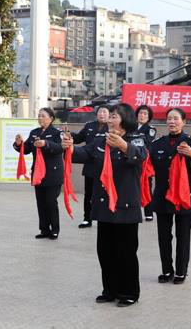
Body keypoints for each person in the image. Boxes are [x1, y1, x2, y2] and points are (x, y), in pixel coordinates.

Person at [62, 103, 146, 307]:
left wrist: (123, 145)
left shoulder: (135, 139)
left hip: (125, 206)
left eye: (114, 117)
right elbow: (84, 154)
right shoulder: (101, 140)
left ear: (125, 120)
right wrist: (69, 146)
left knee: (126, 253)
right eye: (110, 117)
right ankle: (110, 290)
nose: (109, 120)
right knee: (105, 251)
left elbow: (141, 156)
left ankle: (129, 293)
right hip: (104, 205)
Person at [150, 108, 191, 284]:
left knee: (183, 236)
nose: (172, 122)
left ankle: (181, 272)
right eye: (169, 119)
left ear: (184, 122)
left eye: (176, 118)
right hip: (163, 197)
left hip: (185, 197)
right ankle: (167, 270)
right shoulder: (158, 143)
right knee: (164, 237)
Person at [15, 107, 63, 240]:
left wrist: (46, 143)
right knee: (41, 203)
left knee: (51, 202)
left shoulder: (57, 133)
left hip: (53, 173)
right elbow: (26, 149)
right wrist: (19, 144)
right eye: (39, 115)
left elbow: (60, 148)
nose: (40, 118)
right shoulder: (34, 132)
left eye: (43, 116)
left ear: (51, 118)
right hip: (38, 173)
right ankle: (44, 229)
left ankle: (55, 229)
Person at [71, 105, 110, 228]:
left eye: (105, 112)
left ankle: (104, 217)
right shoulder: (89, 126)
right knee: (89, 193)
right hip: (90, 165)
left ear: (110, 115)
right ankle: (87, 218)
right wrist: (69, 135)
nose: (102, 114)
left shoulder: (112, 127)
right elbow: (78, 138)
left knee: (105, 193)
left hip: (105, 166)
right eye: (100, 112)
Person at [135, 104, 157, 221]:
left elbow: (148, 142)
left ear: (148, 117)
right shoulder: (131, 127)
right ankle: (135, 211)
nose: (142, 115)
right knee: (133, 186)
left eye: (145, 114)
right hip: (132, 158)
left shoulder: (151, 129)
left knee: (147, 186)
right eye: (140, 113)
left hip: (145, 161)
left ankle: (149, 213)